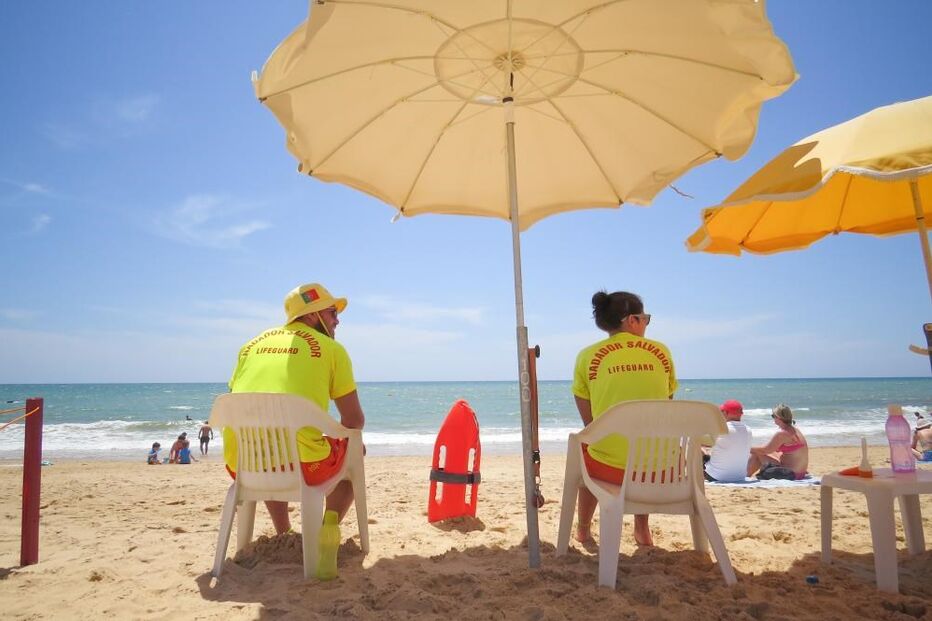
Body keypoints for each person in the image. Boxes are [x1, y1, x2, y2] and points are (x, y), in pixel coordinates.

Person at [226, 283, 365, 535]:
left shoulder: (249, 346)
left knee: (272, 447)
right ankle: (325, 533)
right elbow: (354, 421)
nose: (337, 321)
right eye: (332, 313)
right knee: (354, 449)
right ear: (313, 315)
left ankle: (284, 533)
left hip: (243, 464)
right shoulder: (332, 350)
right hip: (304, 469)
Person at [571, 290, 676, 547]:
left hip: (611, 471)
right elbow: (668, 404)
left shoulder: (587, 356)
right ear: (631, 320)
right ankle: (642, 529)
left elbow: (590, 423)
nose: (646, 324)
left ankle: (583, 530)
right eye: (645, 318)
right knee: (648, 442)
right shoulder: (661, 352)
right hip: (661, 470)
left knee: (589, 448)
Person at [747, 404, 809, 479]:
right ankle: (746, 474)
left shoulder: (782, 434)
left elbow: (765, 450)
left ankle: (745, 475)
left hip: (790, 474)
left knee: (757, 453)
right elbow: (772, 450)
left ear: (779, 417)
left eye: (773, 416)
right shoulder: (796, 430)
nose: (773, 418)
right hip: (800, 472)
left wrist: (746, 448)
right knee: (761, 451)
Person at [702, 400, 752, 483]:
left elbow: (698, 441)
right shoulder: (749, 430)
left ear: (725, 413)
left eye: (721, 412)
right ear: (741, 414)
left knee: (696, 448)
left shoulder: (721, 429)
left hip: (716, 476)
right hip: (740, 477)